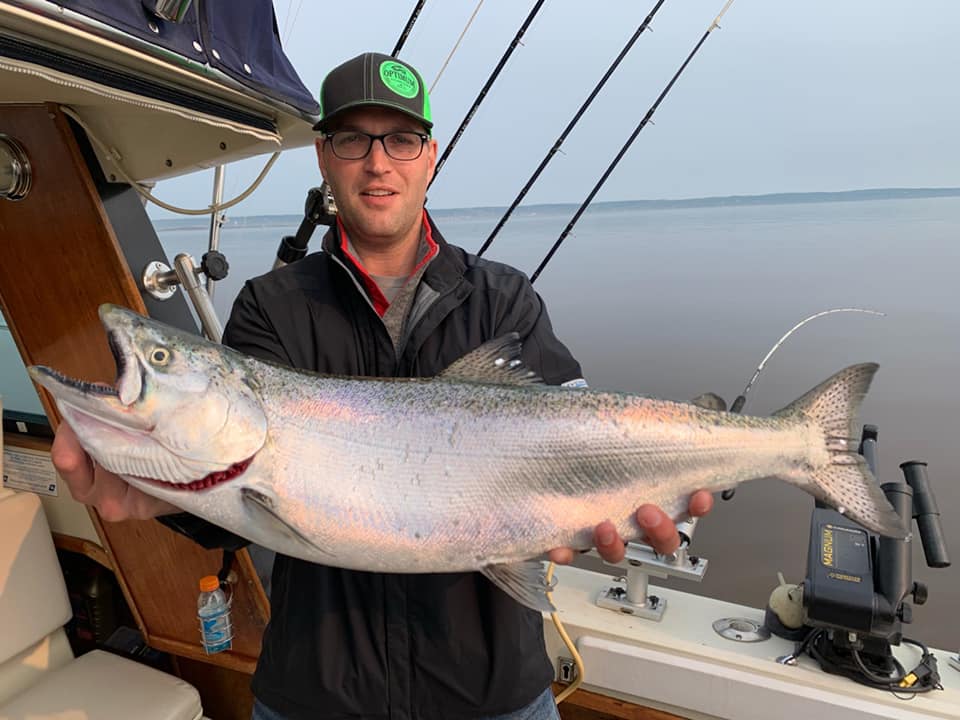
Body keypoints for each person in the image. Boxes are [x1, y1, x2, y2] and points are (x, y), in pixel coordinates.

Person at [51, 52, 713, 720]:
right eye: (353, 139)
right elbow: (239, 495)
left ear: (430, 157)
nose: (378, 162)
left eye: (401, 139)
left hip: (494, 694)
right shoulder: (272, 306)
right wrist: (153, 494)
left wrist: (648, 478)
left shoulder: (503, 299)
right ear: (323, 156)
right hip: (317, 694)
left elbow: (575, 422)